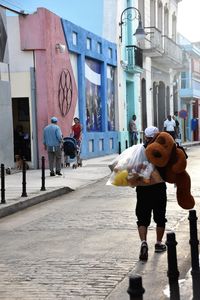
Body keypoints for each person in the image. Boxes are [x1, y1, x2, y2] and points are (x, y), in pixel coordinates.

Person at [135, 126, 167, 261]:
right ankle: (159, 243)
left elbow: (133, 168)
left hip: (143, 188)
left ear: (145, 137)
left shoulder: (139, 150)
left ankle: (144, 242)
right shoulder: (161, 150)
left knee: (142, 217)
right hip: (158, 187)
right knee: (160, 216)